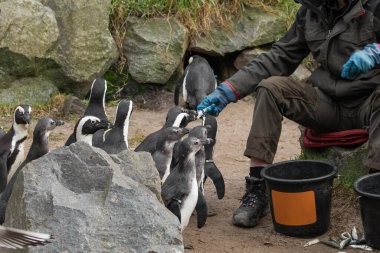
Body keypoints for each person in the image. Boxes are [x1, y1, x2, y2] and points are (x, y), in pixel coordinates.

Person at [197, 0, 380, 228]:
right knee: (271, 88)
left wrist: (377, 52)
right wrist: (228, 90)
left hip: (370, 103)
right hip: (328, 105)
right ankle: (258, 188)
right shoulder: (311, 12)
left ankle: (374, 190)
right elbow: (278, 58)